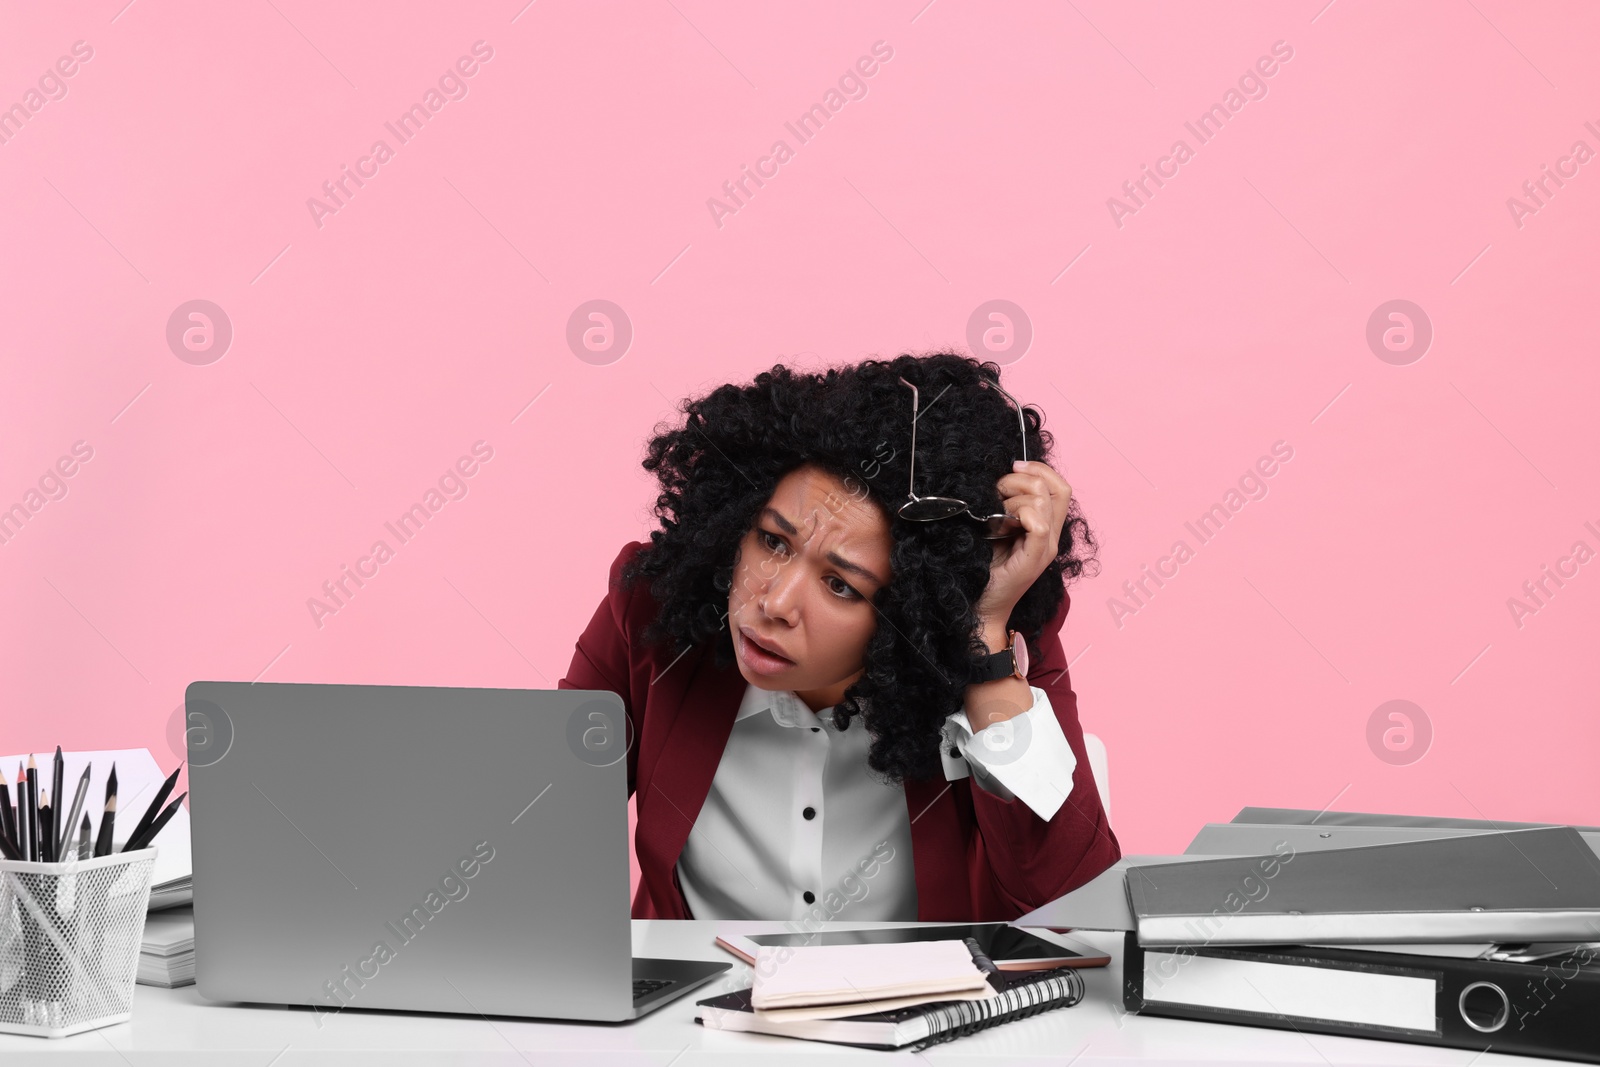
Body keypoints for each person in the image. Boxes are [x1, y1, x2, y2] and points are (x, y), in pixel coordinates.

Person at [559, 351, 1119, 922]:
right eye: (773, 543)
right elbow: (536, 818)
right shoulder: (656, 612)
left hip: (919, 1007)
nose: (773, 604)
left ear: (911, 607)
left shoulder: (994, 639)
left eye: (840, 585)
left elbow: (1074, 907)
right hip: (694, 1010)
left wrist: (981, 650)